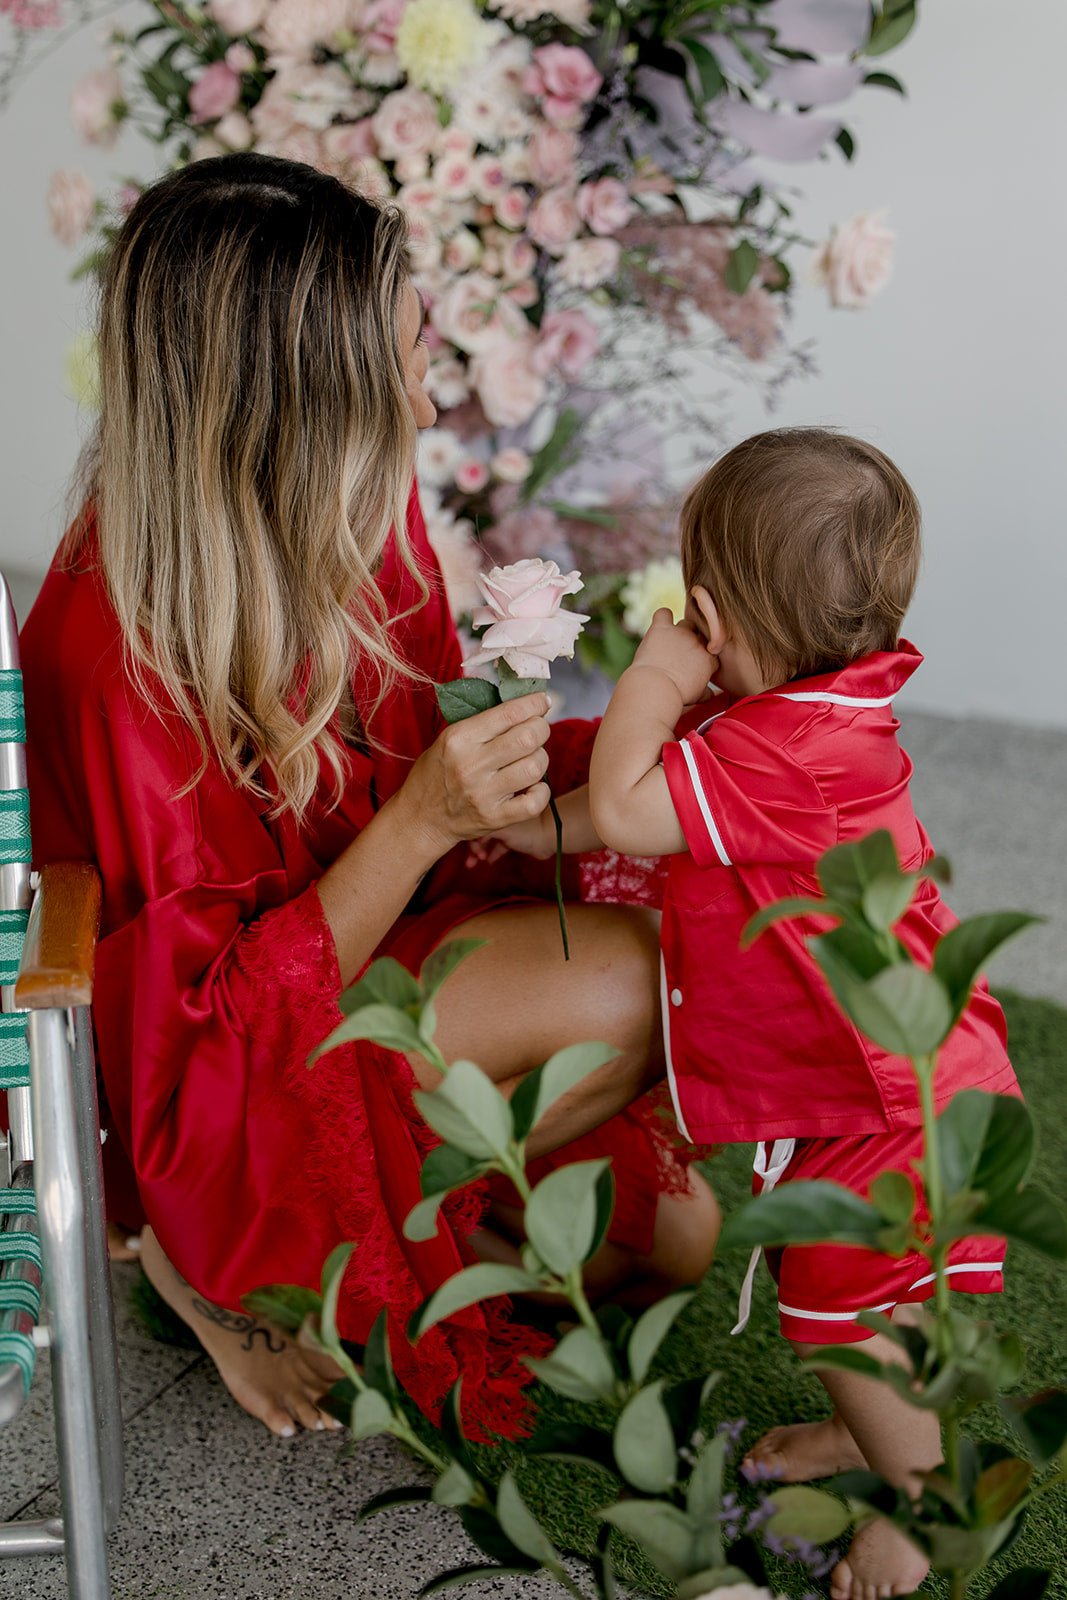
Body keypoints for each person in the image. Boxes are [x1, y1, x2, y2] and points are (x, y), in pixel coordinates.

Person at [20, 151, 719, 1444]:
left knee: (673, 1236)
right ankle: (200, 1277)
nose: (424, 387)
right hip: (208, 1096)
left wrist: (653, 739)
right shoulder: (116, 652)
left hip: (362, 959)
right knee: (619, 981)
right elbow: (194, 1041)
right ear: (298, 398)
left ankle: (410, 1215)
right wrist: (422, 821)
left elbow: (436, 810)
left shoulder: (349, 506)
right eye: (400, 357)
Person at [488, 429, 1019, 1598]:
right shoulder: (803, 716)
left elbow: (636, 805)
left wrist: (652, 674)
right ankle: (861, 1430)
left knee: (835, 1303)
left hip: (890, 1093)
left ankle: (926, 1504)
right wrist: (541, 826)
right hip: (876, 1071)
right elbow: (643, 796)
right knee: (855, 1292)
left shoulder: (784, 747)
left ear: (712, 610)